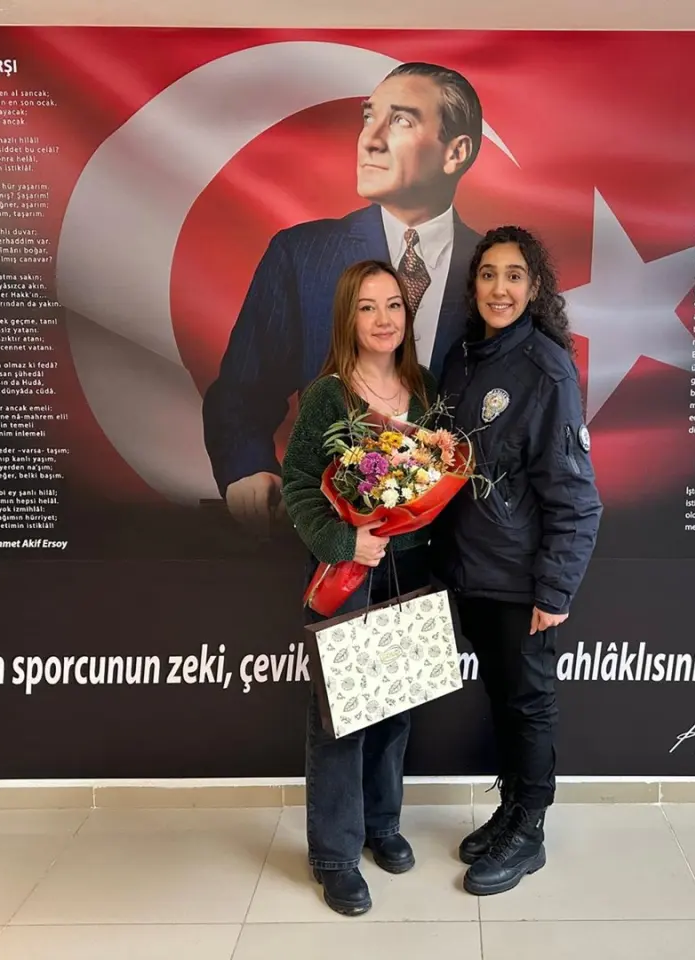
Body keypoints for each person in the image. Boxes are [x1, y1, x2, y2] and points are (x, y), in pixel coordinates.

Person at [204, 61, 484, 529]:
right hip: (334, 530)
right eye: (369, 117)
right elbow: (242, 393)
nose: (370, 139)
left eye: (401, 120)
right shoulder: (300, 255)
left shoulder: (497, 273)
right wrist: (246, 467)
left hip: (467, 536)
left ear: (455, 152)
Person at [431, 226, 602, 896]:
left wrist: (554, 590)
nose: (499, 289)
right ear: (473, 285)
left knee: (528, 703)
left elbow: (576, 497)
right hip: (469, 569)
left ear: (534, 289)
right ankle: (509, 810)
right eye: (488, 275)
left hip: (519, 577)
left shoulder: (544, 368)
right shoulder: (463, 358)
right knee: (502, 698)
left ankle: (529, 831)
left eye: (514, 276)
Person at [281, 259, 438, 917]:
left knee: (396, 707)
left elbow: (436, 478)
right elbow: (297, 486)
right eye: (367, 307)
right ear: (348, 318)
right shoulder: (328, 396)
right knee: (342, 717)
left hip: (411, 571)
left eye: (393, 305)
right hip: (350, 574)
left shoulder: (422, 389)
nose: (382, 319)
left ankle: (381, 823)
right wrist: (348, 542)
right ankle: (335, 854)